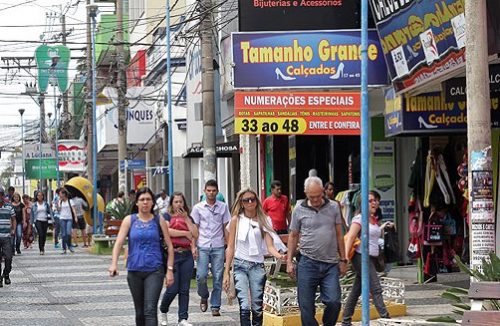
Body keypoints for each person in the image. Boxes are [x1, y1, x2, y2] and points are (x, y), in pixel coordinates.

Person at [108, 187, 174, 326]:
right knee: (139, 312)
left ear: (153, 203)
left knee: (150, 310)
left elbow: (169, 246)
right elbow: (119, 243)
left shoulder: (159, 220)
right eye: (142, 199)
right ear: (136, 203)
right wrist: (114, 264)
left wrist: (169, 270)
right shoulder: (129, 220)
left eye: (148, 199)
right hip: (134, 271)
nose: (145, 202)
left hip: (155, 270)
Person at [287, 176, 347, 326]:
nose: (315, 200)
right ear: (305, 193)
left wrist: (344, 259)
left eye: (318, 196)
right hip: (307, 262)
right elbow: (293, 236)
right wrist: (289, 261)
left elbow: (340, 234)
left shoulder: (334, 207)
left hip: (331, 264)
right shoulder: (299, 209)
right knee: (306, 307)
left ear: (323, 191)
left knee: (334, 302)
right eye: (311, 196)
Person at [223, 188, 287, 326]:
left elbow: (270, 246)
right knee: (244, 306)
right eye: (246, 200)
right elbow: (230, 247)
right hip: (240, 265)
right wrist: (226, 272)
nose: (250, 202)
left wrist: (280, 256)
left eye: (252, 199)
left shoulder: (264, 220)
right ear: (241, 202)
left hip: (257, 267)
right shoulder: (236, 220)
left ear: (257, 201)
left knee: (257, 307)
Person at [342, 191, 393, 325]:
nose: (374, 203)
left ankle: (346, 320)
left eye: (375, 200)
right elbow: (351, 237)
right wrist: (345, 258)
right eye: (370, 201)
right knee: (376, 287)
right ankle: (386, 318)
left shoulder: (373, 219)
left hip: (371, 257)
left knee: (356, 290)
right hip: (361, 257)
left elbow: (373, 234)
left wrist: (385, 226)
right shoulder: (359, 218)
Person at [191, 179, 231, 316]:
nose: (211, 193)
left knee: (218, 277)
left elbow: (226, 227)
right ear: (204, 191)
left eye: (214, 190)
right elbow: (194, 229)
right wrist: (193, 246)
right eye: (209, 190)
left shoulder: (223, 207)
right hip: (202, 245)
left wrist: (229, 246)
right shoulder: (198, 208)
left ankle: (215, 306)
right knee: (201, 276)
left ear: (217, 191)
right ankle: (203, 295)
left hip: (218, 246)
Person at [159, 192, 198, 326]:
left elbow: (195, 234)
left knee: (184, 289)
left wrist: (186, 219)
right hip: (173, 255)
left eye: (181, 201)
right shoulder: (166, 216)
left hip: (186, 255)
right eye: (176, 202)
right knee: (172, 288)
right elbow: (167, 231)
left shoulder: (189, 217)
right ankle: (163, 309)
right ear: (172, 204)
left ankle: (183, 318)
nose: (179, 204)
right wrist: (185, 233)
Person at [0, 187, 16, 287]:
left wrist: (13, 229)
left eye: (0, 194)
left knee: (9, 258)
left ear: (3, 195)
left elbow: (14, 219)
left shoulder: (9, 207)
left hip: (6, 236)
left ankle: (6, 274)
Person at [31, 191, 52, 255]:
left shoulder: (46, 204)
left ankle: (43, 246)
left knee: (44, 235)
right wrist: (31, 222)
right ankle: (41, 249)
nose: (40, 197)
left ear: (43, 196)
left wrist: (52, 220)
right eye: (38, 195)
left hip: (45, 220)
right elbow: (32, 214)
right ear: (36, 197)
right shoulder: (34, 204)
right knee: (41, 234)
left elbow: (50, 212)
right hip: (37, 220)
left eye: (41, 195)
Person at [57, 188, 78, 254]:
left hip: (69, 218)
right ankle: (64, 249)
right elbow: (59, 210)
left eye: (60, 194)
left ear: (64, 194)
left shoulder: (70, 201)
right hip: (62, 218)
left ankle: (69, 245)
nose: (59, 195)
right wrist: (59, 203)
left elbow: (74, 210)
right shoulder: (60, 201)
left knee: (68, 233)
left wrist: (75, 217)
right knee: (63, 234)